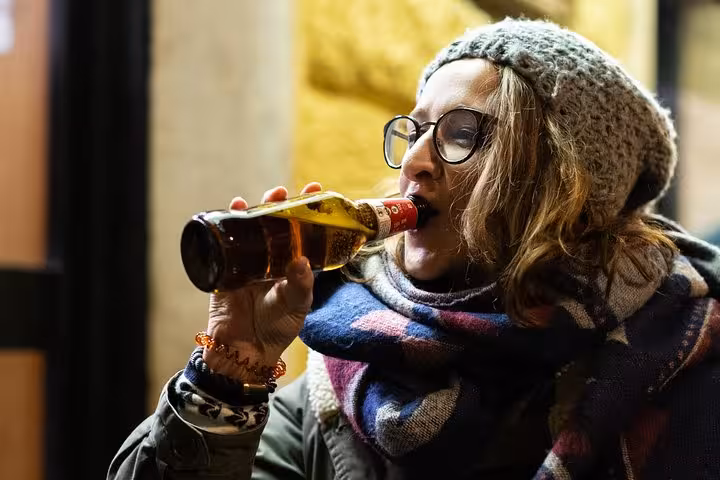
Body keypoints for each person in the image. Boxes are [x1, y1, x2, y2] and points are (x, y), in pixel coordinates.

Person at [108, 18, 720, 480]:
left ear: (567, 181)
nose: (413, 162)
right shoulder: (349, 369)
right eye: (416, 129)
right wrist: (228, 370)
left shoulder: (682, 358)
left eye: (461, 134)